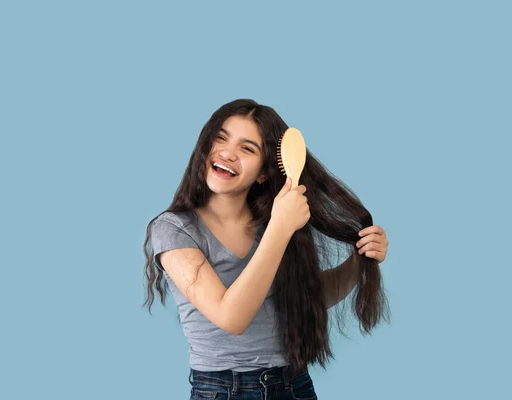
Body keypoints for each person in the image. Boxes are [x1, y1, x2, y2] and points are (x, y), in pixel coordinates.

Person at [143, 98, 390, 399]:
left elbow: (308, 298)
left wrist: (359, 261)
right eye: (220, 138)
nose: (228, 153)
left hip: (295, 385)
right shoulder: (173, 229)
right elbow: (231, 317)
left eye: (247, 148)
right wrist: (280, 228)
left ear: (263, 172)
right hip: (223, 390)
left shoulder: (272, 223)